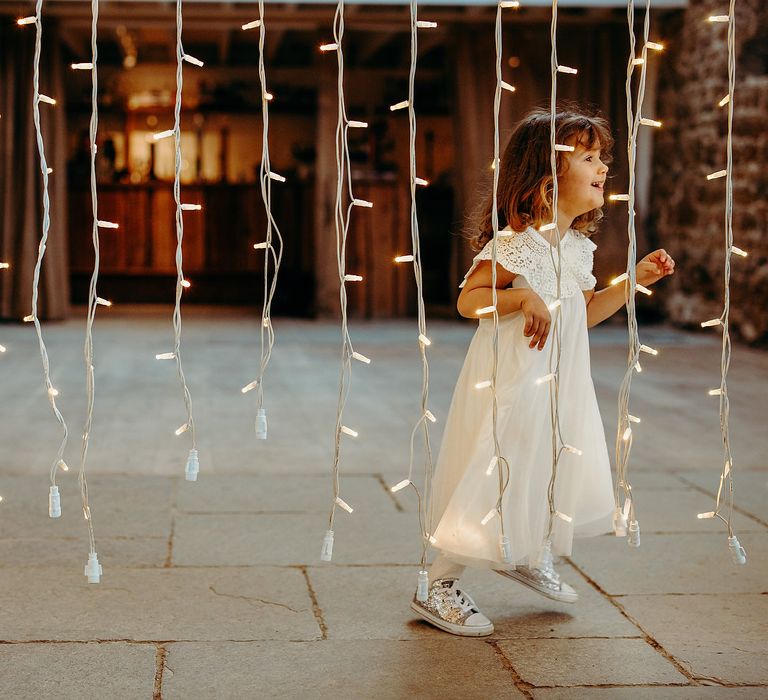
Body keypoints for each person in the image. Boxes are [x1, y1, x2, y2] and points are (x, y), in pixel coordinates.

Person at [410, 106, 675, 637]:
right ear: (546, 179)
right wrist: (518, 297)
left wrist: (633, 280)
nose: (603, 167)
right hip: (511, 382)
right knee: (495, 468)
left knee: (545, 468)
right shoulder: (517, 242)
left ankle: (525, 553)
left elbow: (587, 310)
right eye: (588, 157)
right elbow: (468, 301)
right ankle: (437, 583)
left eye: (602, 157)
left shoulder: (577, 248)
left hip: (559, 385)